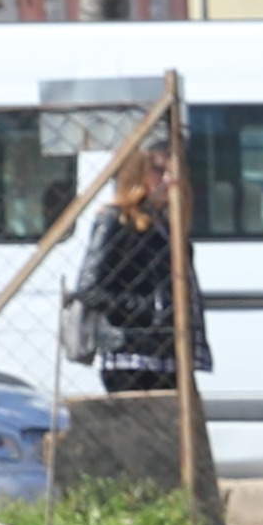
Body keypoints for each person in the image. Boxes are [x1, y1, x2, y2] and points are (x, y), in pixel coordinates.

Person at [66, 153, 190, 397]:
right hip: (128, 352)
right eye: (158, 171)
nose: (168, 179)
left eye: (173, 172)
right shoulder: (116, 219)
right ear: (138, 175)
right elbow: (88, 288)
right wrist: (147, 308)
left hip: (167, 350)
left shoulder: (165, 225)